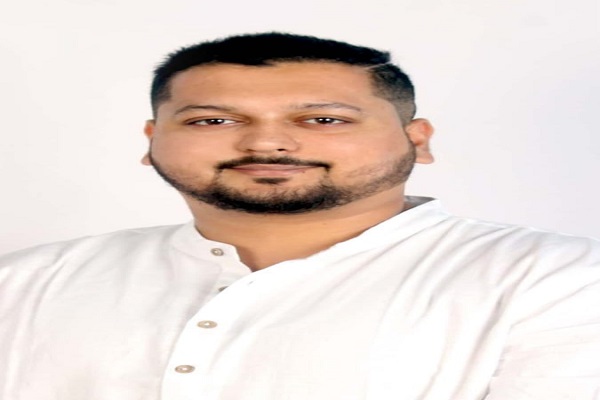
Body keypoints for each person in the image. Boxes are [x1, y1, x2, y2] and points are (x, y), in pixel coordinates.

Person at [1, 32, 599, 400]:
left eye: (323, 119)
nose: (268, 143)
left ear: (417, 140)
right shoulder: (26, 282)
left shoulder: (559, 281)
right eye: (213, 120)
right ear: (152, 140)